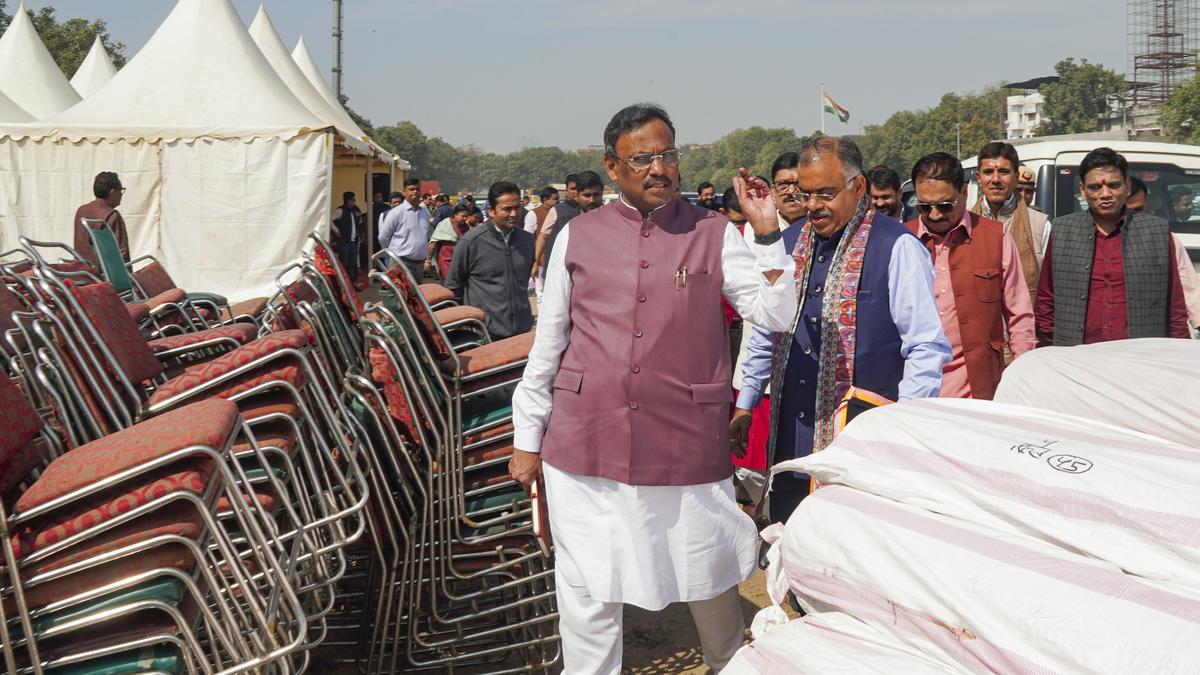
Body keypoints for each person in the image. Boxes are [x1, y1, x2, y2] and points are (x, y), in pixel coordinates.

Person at [509, 103, 798, 674]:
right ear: (612, 167)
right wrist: (527, 434)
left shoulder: (714, 232)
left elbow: (776, 312)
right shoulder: (578, 235)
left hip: (684, 442)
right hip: (585, 439)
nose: (659, 168)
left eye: (668, 154)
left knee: (710, 576)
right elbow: (550, 341)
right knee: (588, 588)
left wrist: (767, 233)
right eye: (642, 158)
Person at [733, 137, 949, 523]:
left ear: (859, 187)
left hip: (864, 446)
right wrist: (746, 402)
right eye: (806, 193)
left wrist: (902, 426)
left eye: (826, 193)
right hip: (792, 439)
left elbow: (925, 347)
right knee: (790, 543)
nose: (814, 205)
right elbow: (766, 329)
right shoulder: (787, 244)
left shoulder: (895, 246)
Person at [906, 153, 1035, 400]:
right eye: (924, 207)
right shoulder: (903, 241)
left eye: (944, 206)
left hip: (980, 388)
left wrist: (1021, 375)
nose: (934, 216)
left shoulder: (995, 238)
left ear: (964, 193)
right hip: (917, 389)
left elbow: (1020, 317)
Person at [1035, 147, 1190, 346]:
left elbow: (1175, 305)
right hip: (1076, 356)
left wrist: (1178, 353)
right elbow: (1046, 300)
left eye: (1114, 185)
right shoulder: (1062, 231)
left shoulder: (1156, 232)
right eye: (1095, 187)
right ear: (1082, 189)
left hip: (1141, 355)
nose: (1105, 194)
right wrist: (1048, 350)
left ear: (1127, 185)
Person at [445, 181, 536, 339]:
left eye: (517, 208)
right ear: (491, 211)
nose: (514, 214)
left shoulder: (527, 241)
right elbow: (453, 287)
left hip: (521, 332)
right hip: (484, 335)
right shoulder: (471, 242)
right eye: (507, 209)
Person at [971, 142, 1052, 301]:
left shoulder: (1040, 225)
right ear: (979, 178)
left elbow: (1049, 289)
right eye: (988, 172)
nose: (995, 179)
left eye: (1003, 172)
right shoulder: (966, 223)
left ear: (1015, 178)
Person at [1130, 178, 1200, 332]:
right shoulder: (1089, 242)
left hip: (1151, 335)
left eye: (1138, 210)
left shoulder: (1166, 239)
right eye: (1126, 211)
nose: (1133, 219)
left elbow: (1189, 287)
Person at [538, 171, 604, 274]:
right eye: (587, 195)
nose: (592, 200)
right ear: (577, 196)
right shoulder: (566, 225)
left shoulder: (611, 223)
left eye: (596, 195)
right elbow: (544, 238)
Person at [378, 178, 433, 281]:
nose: (415, 192)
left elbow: (425, 237)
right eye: (411, 189)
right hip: (401, 263)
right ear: (404, 192)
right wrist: (391, 255)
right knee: (402, 295)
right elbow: (383, 237)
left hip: (419, 264)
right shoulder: (396, 212)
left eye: (417, 189)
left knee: (416, 295)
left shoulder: (424, 213)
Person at [73, 171, 130, 268]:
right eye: (120, 190)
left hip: (83, 271)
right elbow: (122, 255)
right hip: (106, 276)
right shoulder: (112, 215)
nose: (121, 194)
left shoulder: (81, 211)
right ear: (112, 192)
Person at [427, 203, 473, 279]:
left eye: (466, 216)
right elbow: (433, 243)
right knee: (449, 284)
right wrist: (428, 261)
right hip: (446, 261)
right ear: (455, 214)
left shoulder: (465, 226)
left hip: (460, 262)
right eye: (463, 216)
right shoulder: (444, 224)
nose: (465, 218)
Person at [330, 191, 364, 284]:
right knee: (344, 263)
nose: (354, 201)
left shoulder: (355, 210)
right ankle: (343, 284)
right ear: (348, 200)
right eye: (352, 199)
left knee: (352, 264)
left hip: (354, 241)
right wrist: (336, 230)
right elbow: (329, 219)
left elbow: (360, 222)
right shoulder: (340, 210)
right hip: (345, 241)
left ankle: (352, 284)